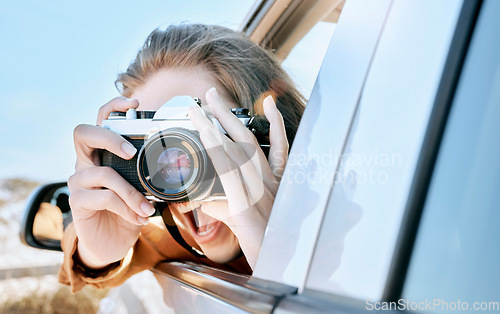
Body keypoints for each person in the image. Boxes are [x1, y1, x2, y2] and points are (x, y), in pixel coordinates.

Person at [58, 23, 305, 292]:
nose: (178, 166)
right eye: (155, 147)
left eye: (204, 134)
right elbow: (100, 259)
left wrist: (278, 249)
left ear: (268, 133)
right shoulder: (167, 234)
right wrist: (97, 252)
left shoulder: (336, 213)